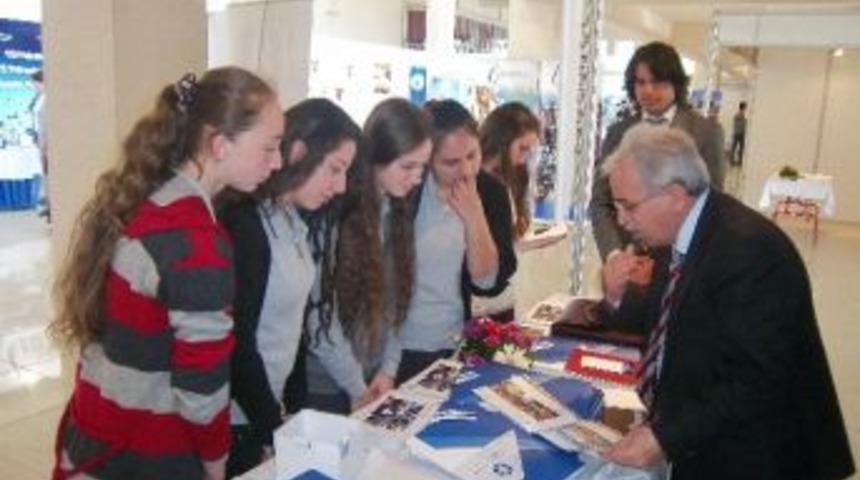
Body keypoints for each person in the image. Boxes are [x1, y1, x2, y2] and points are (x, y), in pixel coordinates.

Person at [48, 67, 284, 480]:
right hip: (146, 452)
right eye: (270, 147)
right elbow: (202, 386)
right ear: (221, 145)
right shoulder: (196, 239)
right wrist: (216, 462)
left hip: (98, 430)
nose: (278, 161)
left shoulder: (151, 198)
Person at [598, 125, 854, 480]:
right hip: (706, 436)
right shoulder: (680, 233)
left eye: (628, 206)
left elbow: (756, 380)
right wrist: (613, 296)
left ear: (674, 194)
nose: (622, 220)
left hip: (760, 454)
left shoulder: (748, 250)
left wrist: (663, 437)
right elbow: (660, 323)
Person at [217, 98, 359, 477]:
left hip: (270, 410)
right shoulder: (245, 223)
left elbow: (293, 326)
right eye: (334, 169)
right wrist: (272, 427)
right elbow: (238, 341)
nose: (340, 185)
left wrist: (294, 410)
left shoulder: (292, 218)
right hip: (238, 418)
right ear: (299, 152)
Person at [304, 97, 432, 414]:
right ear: (376, 157)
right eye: (408, 166)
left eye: (422, 167)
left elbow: (396, 301)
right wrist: (356, 387)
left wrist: (388, 369)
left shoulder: (396, 210)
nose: (417, 178)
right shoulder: (337, 213)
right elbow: (322, 320)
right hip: (326, 385)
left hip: (371, 376)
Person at [391, 99, 517, 384]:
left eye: (472, 155)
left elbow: (487, 283)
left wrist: (474, 216)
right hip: (396, 346)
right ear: (427, 157)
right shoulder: (407, 189)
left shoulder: (491, 192)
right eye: (450, 162)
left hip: (454, 342)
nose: (466, 170)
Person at [589, 41, 727, 263]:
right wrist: (615, 254)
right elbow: (600, 202)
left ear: (676, 84)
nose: (648, 91)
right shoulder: (617, 132)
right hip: (628, 258)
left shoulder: (705, 132)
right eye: (641, 82)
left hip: (681, 259)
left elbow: (712, 203)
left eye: (658, 82)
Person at [731, 101, 747, 166]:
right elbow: (741, 124)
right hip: (738, 133)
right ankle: (733, 161)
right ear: (743, 107)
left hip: (739, 133)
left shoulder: (741, 115)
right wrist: (745, 121)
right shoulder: (739, 115)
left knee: (740, 148)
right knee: (735, 148)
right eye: (745, 107)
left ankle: (739, 161)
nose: (746, 108)